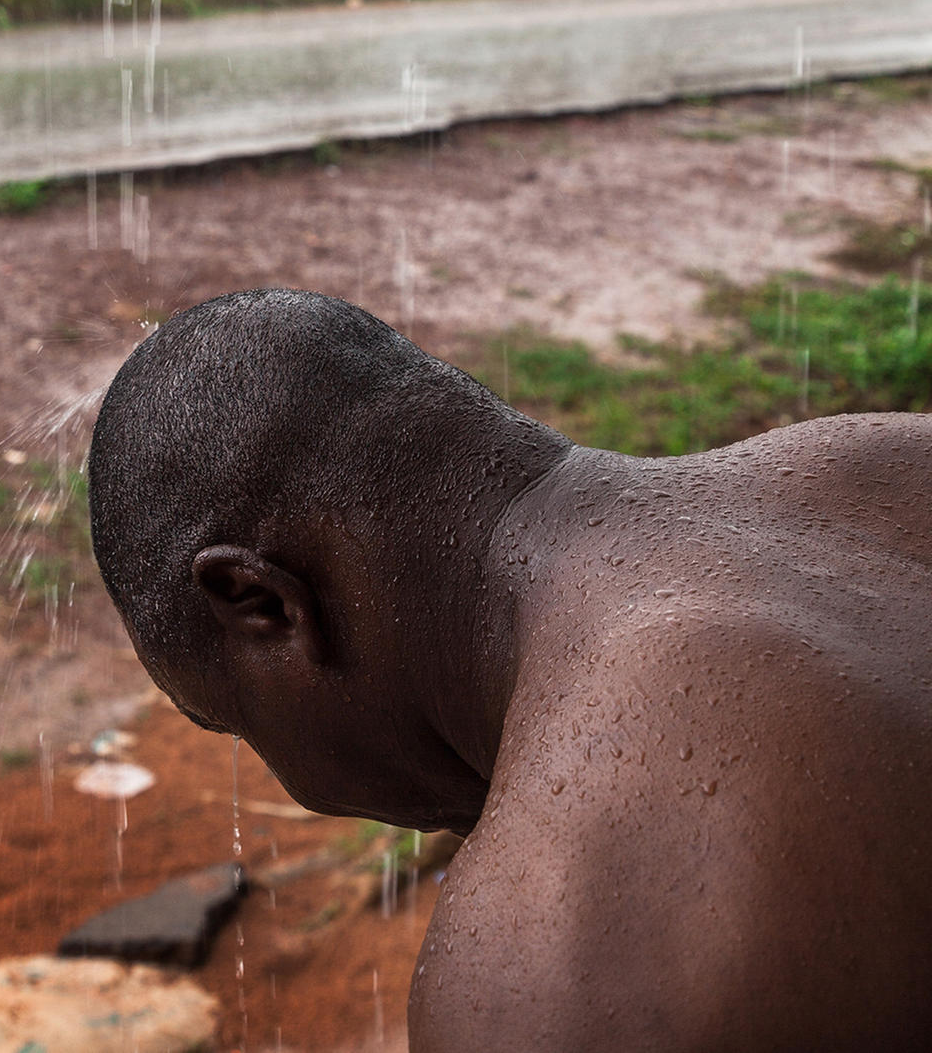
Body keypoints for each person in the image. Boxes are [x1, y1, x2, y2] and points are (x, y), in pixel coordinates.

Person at [86, 287, 932, 1051]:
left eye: (236, 726)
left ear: (262, 604)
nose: (297, 786)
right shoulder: (890, 463)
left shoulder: (553, 971)